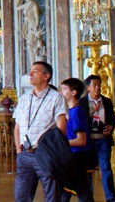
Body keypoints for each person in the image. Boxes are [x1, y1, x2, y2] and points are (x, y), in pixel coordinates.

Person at [13, 61, 67, 202]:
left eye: (35, 71)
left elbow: (61, 128)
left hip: (45, 153)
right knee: (21, 196)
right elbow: (18, 126)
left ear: (46, 76)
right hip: (24, 154)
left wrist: (51, 152)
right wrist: (19, 150)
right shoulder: (24, 98)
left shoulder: (56, 97)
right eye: (30, 71)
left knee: (51, 195)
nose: (30, 74)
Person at [80, 75, 115, 202]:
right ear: (88, 87)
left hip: (103, 139)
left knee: (106, 168)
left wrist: (111, 127)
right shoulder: (81, 103)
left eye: (99, 85)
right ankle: (88, 198)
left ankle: (110, 198)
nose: (98, 87)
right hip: (88, 141)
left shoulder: (106, 101)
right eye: (95, 85)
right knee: (88, 170)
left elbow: (113, 117)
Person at [60, 78, 93, 202]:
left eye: (64, 89)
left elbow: (81, 140)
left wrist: (61, 144)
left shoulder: (77, 112)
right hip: (72, 157)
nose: (61, 92)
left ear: (73, 92)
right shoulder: (70, 111)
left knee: (82, 192)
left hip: (78, 158)